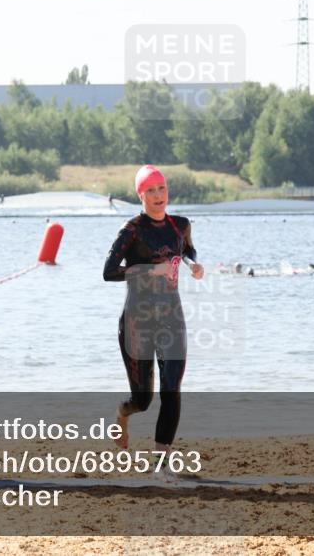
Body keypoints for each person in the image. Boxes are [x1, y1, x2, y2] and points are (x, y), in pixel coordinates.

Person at [103, 165, 204, 465]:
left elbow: (187, 249)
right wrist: (152, 270)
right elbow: (109, 272)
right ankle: (121, 415)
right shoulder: (131, 230)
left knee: (172, 389)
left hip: (172, 316)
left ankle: (162, 462)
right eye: (151, 190)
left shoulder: (181, 225)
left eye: (161, 188)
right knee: (142, 401)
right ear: (140, 195)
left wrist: (192, 264)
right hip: (137, 321)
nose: (158, 195)